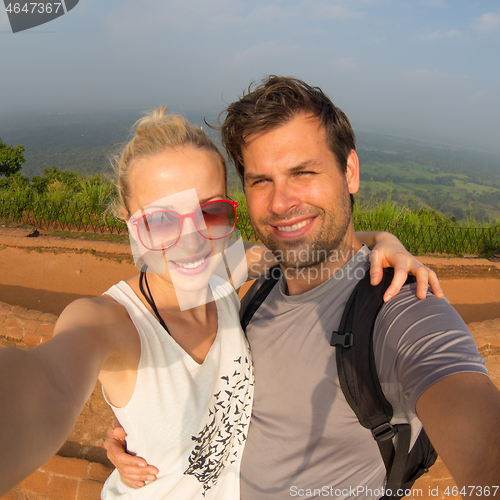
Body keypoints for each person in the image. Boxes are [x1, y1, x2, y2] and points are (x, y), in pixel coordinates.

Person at [0, 107, 441, 499]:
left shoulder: (222, 273)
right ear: (129, 223)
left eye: (210, 213)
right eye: (159, 222)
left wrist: (387, 241)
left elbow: (319, 244)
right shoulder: (108, 322)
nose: (190, 243)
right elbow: (46, 385)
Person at [106, 77, 500, 499]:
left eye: (303, 172)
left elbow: (475, 429)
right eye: (261, 181)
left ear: (349, 172)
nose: (280, 203)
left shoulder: (401, 310)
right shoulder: (257, 281)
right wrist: (142, 429)